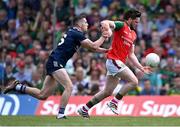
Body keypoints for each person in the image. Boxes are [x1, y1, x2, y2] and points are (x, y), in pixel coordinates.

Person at [3, 14, 111, 119]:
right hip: (56, 61)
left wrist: (106, 50)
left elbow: (92, 48)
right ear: (79, 24)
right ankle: (61, 114)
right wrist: (103, 37)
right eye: (86, 22)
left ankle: (17, 87)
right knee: (69, 87)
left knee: (43, 95)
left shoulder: (74, 33)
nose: (87, 24)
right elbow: (93, 45)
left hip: (53, 61)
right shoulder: (76, 33)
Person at [77, 9, 152, 118]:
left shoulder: (133, 34)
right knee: (134, 81)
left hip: (118, 63)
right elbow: (105, 22)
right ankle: (114, 102)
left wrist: (141, 68)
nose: (137, 24)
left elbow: (131, 55)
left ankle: (84, 109)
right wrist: (108, 29)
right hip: (113, 61)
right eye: (136, 22)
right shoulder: (121, 25)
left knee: (107, 92)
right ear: (130, 20)